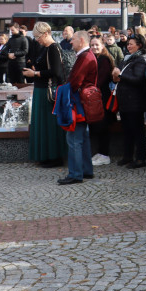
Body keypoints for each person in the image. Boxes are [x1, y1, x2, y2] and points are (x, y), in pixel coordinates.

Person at [23, 22, 67, 167]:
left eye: (38, 36)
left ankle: (54, 157)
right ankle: (46, 156)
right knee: (44, 126)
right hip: (41, 90)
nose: (36, 39)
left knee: (49, 126)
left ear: (46, 33)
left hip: (48, 92)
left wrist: (35, 73)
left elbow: (56, 72)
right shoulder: (45, 48)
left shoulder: (53, 48)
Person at [59, 30, 97, 185]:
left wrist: (63, 89)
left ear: (81, 40)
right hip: (83, 102)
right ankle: (86, 170)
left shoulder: (85, 57)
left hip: (79, 103)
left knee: (74, 139)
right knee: (83, 138)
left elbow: (75, 82)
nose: (70, 42)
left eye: (73, 39)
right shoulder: (86, 55)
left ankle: (75, 174)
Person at [111, 33, 146, 169]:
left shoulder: (141, 60)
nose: (128, 46)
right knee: (127, 130)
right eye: (127, 44)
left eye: (131, 44)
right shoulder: (127, 59)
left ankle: (140, 158)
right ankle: (127, 156)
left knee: (137, 130)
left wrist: (120, 75)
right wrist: (116, 76)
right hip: (125, 100)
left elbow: (138, 79)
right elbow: (118, 75)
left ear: (139, 45)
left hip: (135, 101)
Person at [88, 36, 116, 167]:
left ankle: (105, 154)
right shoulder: (96, 58)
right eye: (92, 45)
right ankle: (100, 152)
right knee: (99, 127)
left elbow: (101, 79)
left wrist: (89, 88)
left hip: (102, 97)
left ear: (102, 45)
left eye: (96, 45)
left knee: (103, 126)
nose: (94, 47)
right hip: (97, 97)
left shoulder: (104, 59)